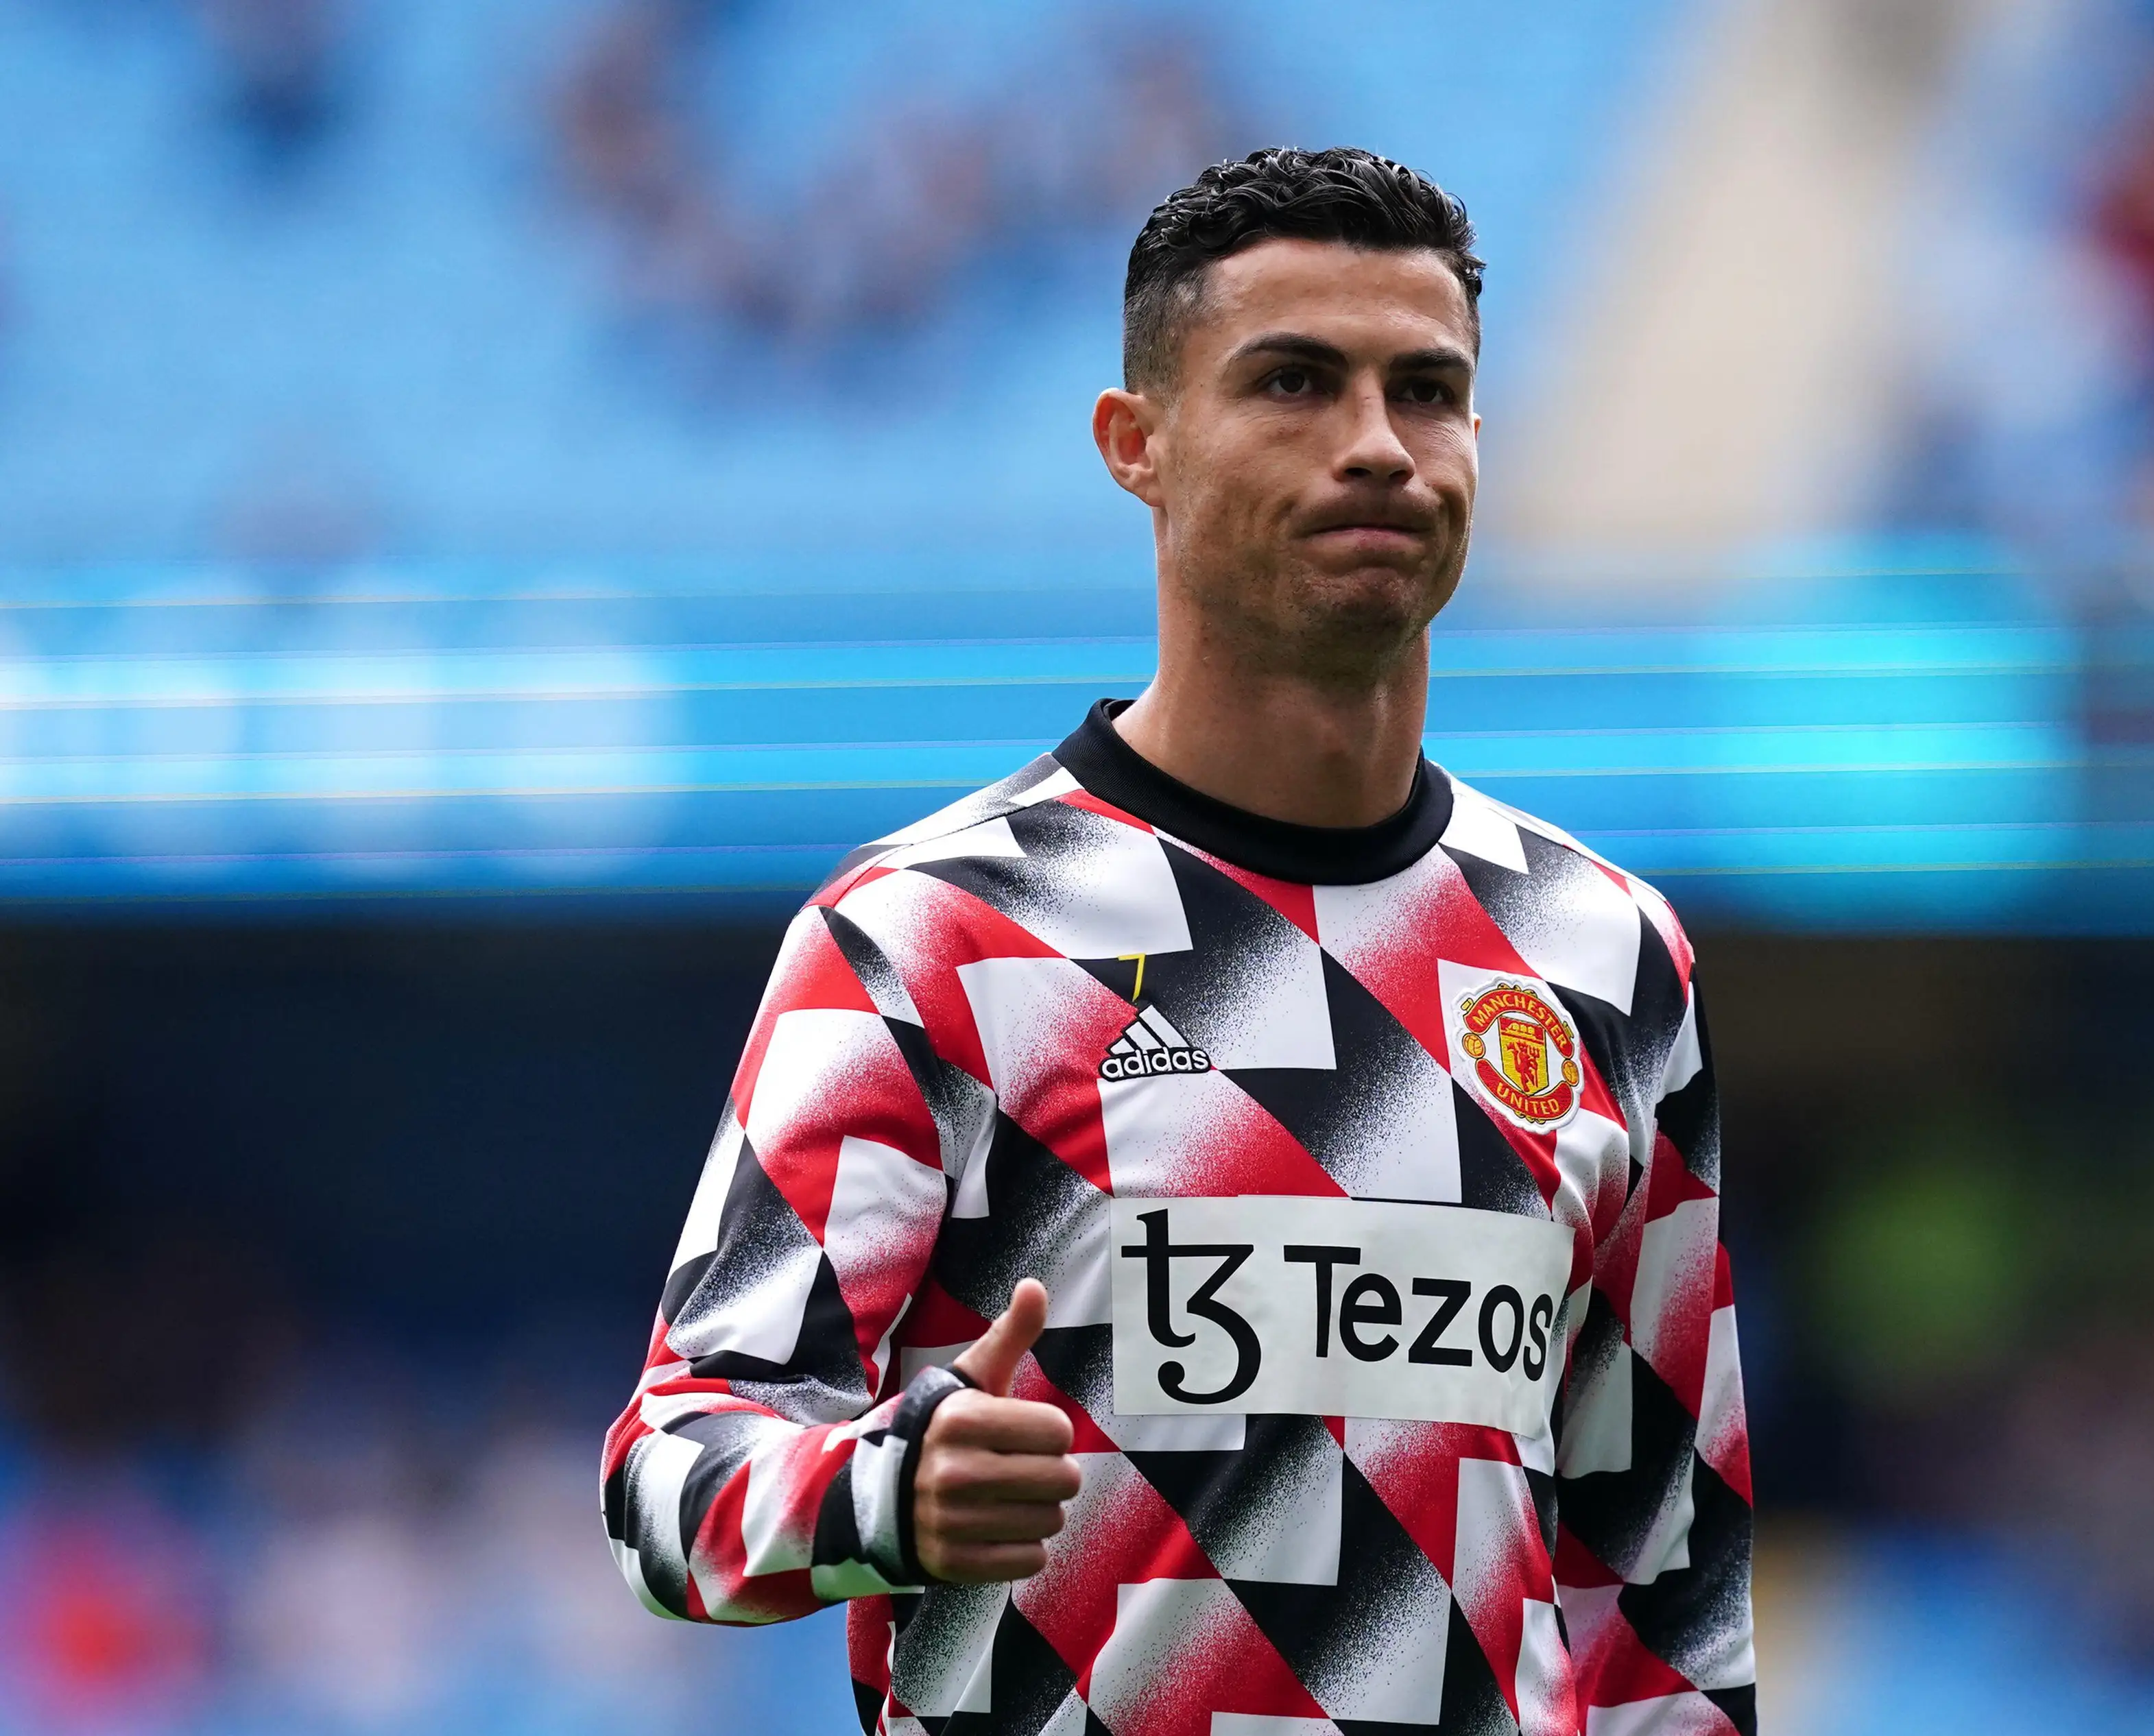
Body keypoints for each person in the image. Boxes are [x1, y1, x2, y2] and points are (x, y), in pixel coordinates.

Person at [603, 145, 1757, 1736]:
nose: (1375, 445)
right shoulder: (932, 935)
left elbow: (1670, 1592)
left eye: (1426, 391)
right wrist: (884, 1493)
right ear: (1135, 444)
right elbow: (672, 1478)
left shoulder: (1605, 953)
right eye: (1293, 382)